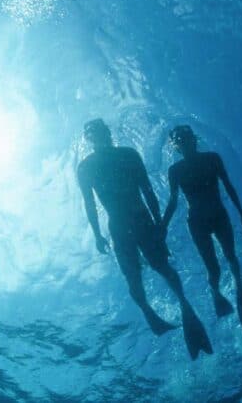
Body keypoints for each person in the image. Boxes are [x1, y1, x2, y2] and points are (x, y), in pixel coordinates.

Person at [77, 119, 212, 359]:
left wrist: (159, 224)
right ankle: (153, 314)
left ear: (108, 134)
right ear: (92, 139)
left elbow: (147, 189)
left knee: (160, 267)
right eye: (97, 134)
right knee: (135, 274)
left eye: (103, 132)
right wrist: (97, 234)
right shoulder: (88, 166)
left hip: (139, 222)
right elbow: (90, 203)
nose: (102, 136)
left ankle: (184, 308)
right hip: (124, 224)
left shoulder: (125, 155)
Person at [162, 125, 242, 332]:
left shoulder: (212, 158)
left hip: (218, 215)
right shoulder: (175, 171)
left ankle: (240, 289)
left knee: (231, 255)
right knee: (212, 266)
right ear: (177, 147)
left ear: (194, 140)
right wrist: (163, 227)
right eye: (180, 141)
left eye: (187, 138)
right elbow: (172, 201)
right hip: (197, 222)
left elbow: (228, 186)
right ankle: (216, 293)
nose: (185, 143)